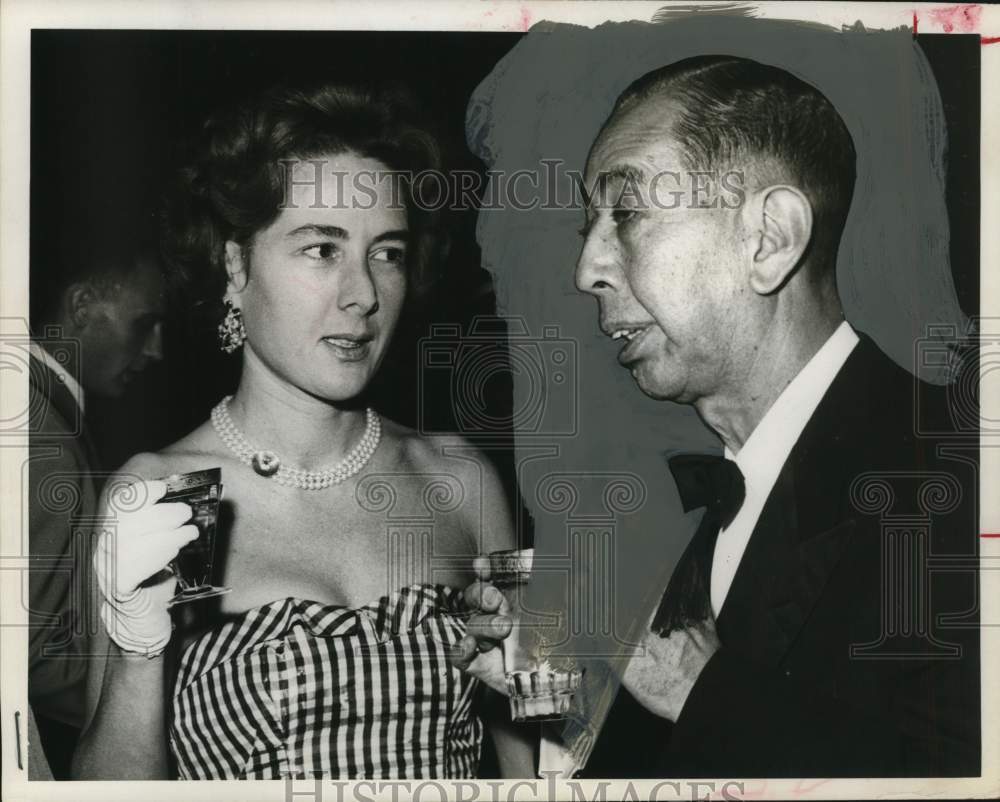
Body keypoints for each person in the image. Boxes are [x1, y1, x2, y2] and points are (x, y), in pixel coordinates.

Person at [456, 55, 979, 777]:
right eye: (589, 226)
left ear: (769, 239)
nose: (588, 270)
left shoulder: (959, 476)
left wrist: (704, 694)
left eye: (628, 212)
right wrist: (557, 692)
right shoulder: (718, 503)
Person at [71, 82, 533, 780]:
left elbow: (531, 772)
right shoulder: (171, 494)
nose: (364, 294)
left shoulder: (458, 479)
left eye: (388, 253)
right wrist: (141, 655)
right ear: (235, 266)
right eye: (322, 248)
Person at [28, 217, 166, 778]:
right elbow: (30, 659)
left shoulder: (48, 415)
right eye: (146, 323)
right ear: (82, 307)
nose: (157, 350)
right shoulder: (43, 439)